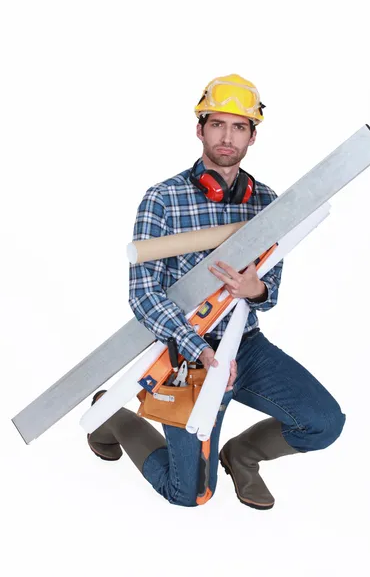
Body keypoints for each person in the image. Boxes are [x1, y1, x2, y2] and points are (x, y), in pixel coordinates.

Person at [87, 74, 346, 509]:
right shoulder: (162, 199)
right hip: (185, 354)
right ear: (200, 129)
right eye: (218, 124)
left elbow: (273, 290)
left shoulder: (267, 201)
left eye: (239, 126)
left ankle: (241, 455)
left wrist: (256, 288)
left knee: (323, 422)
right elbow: (143, 295)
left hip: (244, 345)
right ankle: (113, 415)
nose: (227, 137)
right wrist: (200, 351)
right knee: (188, 494)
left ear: (252, 135)